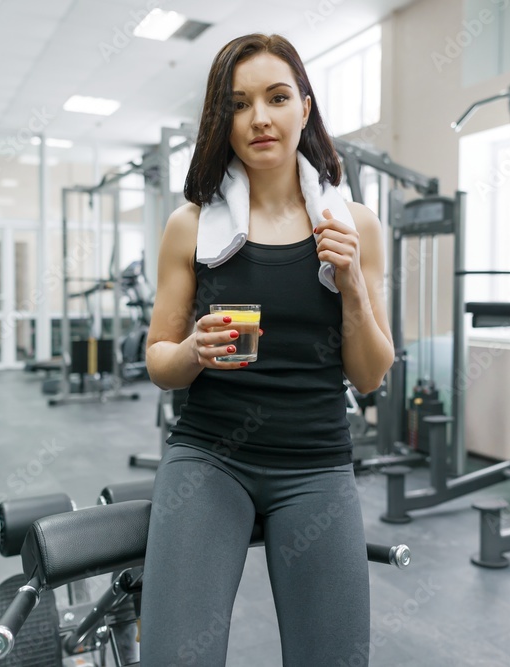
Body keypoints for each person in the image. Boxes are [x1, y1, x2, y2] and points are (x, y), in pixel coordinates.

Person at [141, 33, 394, 666]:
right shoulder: (191, 226)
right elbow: (159, 363)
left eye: (277, 98)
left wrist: (354, 286)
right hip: (210, 459)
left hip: (315, 463)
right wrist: (195, 350)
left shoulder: (354, 224)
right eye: (238, 104)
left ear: (304, 109)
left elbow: (369, 375)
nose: (259, 118)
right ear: (220, 121)